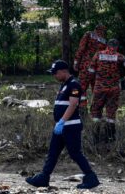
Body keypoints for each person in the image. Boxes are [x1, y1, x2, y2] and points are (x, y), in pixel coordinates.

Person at [25, 60, 100, 189]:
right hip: (61, 126)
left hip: (70, 126)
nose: (54, 75)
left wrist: (62, 121)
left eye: (55, 73)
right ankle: (44, 177)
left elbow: (73, 104)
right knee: (53, 152)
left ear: (63, 71)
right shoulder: (64, 85)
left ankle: (91, 177)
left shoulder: (74, 85)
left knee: (75, 153)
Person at [88, 39, 125, 144]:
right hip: (113, 89)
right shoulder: (118, 56)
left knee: (96, 111)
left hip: (99, 88)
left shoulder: (98, 54)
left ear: (107, 45)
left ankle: (95, 138)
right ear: (117, 46)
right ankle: (110, 138)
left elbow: (90, 71)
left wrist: (93, 82)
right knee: (111, 112)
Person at [73, 25, 107, 107]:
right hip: (97, 67)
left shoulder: (88, 34)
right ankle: (96, 112)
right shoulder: (104, 41)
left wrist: (76, 62)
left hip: (86, 65)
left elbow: (81, 49)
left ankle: (82, 108)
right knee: (96, 89)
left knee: (81, 86)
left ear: (95, 29)